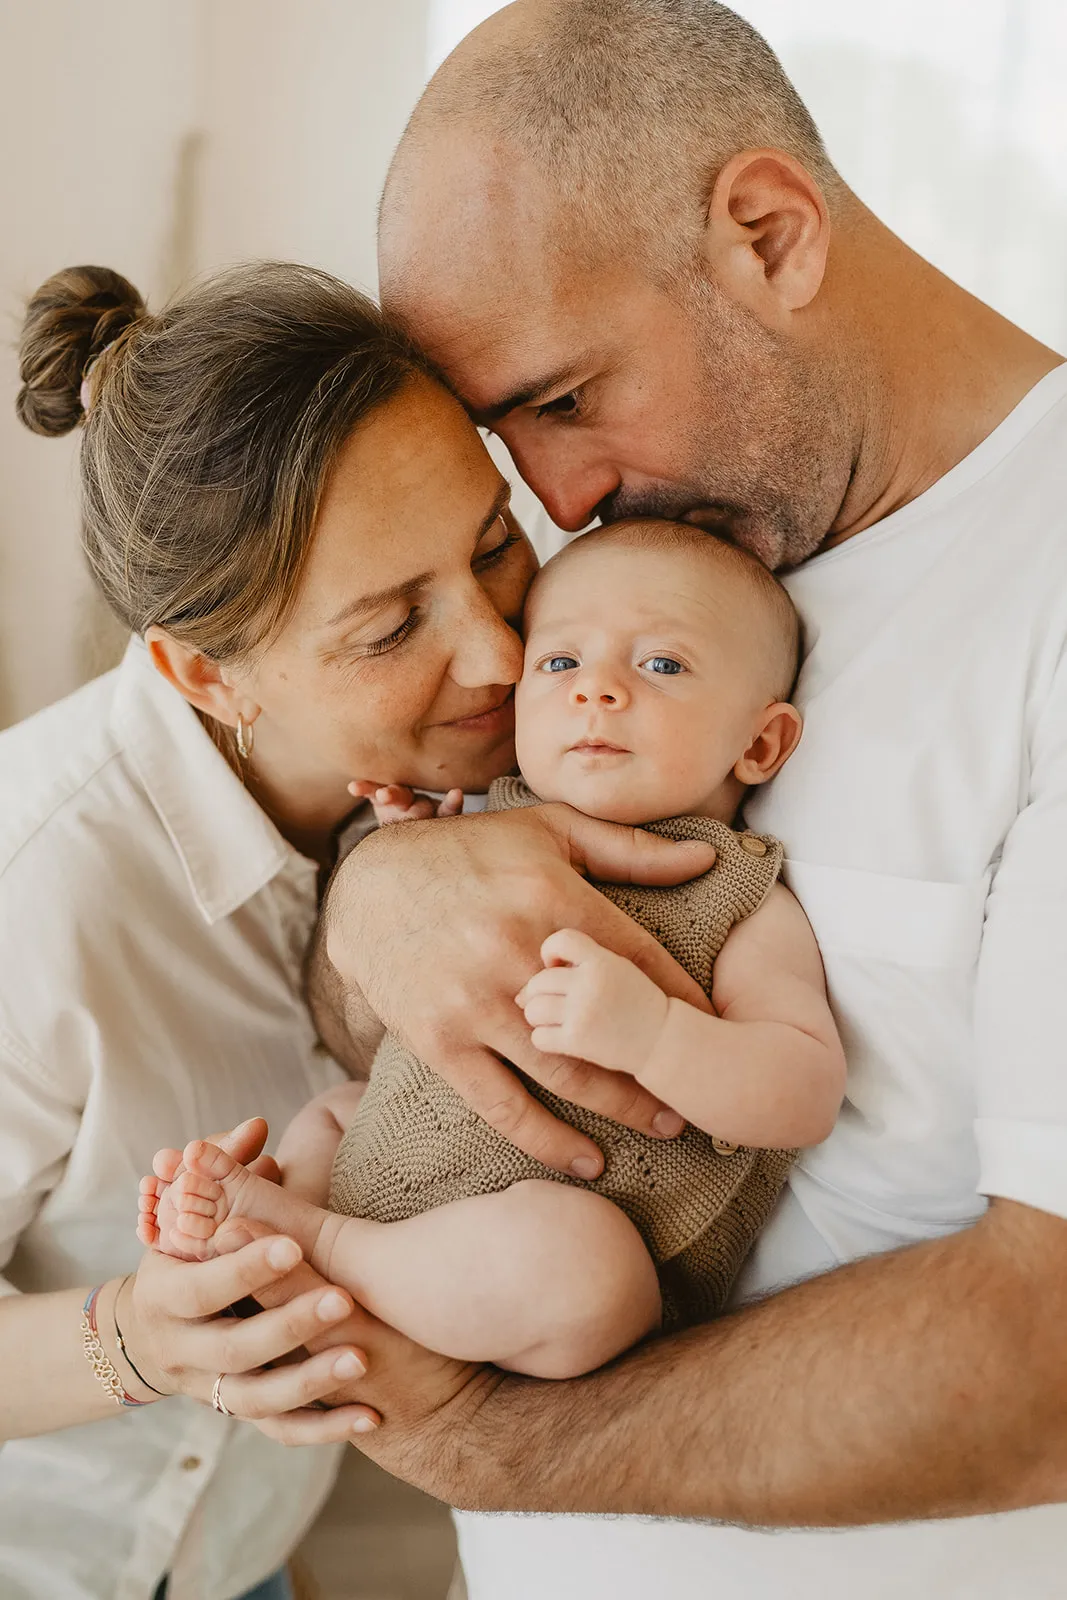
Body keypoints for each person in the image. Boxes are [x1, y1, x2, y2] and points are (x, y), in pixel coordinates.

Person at [288, 3, 1067, 1598]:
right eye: (506, 434)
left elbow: (1046, 1354)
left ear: (768, 233)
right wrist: (384, 896)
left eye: (564, 399)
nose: (556, 500)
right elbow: (374, 1002)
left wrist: (482, 1446)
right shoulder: (650, 573)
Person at [2, 257, 702, 1599]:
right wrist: (138, 1341)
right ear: (204, 673)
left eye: (491, 544)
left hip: (249, 1553)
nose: (500, 653)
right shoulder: (35, 889)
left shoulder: (533, 734)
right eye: (389, 627)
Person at [141, 519, 845, 1382]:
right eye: (560, 661)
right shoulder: (479, 827)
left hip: (554, 1271)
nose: (595, 690)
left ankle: (310, 1241)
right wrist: (411, 854)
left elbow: (803, 1094)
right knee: (334, 1107)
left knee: (579, 1264)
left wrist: (655, 1034)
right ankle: (258, 1234)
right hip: (390, 1180)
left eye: (661, 665)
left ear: (760, 743)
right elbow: (408, 998)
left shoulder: (737, 899)